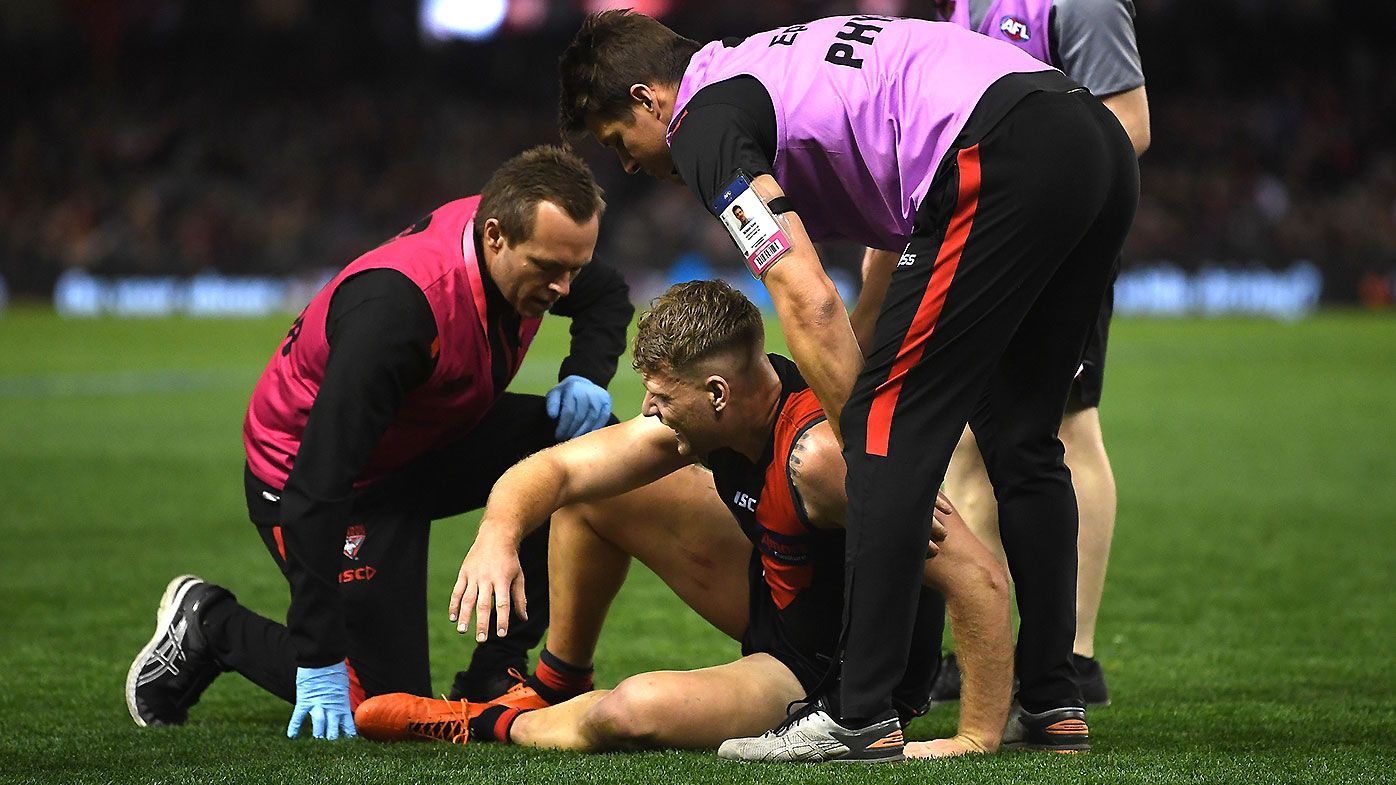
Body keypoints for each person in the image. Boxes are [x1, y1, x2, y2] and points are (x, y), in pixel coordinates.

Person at [557, 10, 1137, 759]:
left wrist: (867, 444)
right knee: (1024, 436)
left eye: (617, 142)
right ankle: (1055, 701)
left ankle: (856, 714)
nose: (629, 165)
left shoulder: (701, 124)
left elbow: (804, 294)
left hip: (1003, 149)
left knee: (883, 432)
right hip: (1093, 143)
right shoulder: (768, 66)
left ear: (647, 99)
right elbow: (878, 261)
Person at [353, 280, 1013, 760]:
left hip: (825, 670)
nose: (648, 408)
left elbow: (978, 576)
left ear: (717, 394)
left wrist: (976, 737)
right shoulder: (728, 410)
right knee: (590, 494)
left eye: (662, 396)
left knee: (629, 712)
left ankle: (486, 724)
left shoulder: (821, 458)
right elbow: (556, 471)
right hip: (780, 590)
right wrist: (497, 534)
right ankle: (552, 687)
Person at [125, 145, 634, 739]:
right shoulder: (396, 318)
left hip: (418, 440)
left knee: (593, 451)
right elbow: (319, 484)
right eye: (549, 268)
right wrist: (317, 657)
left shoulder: (533, 244)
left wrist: (586, 373)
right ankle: (210, 624)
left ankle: (495, 673)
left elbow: (607, 293)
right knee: (386, 703)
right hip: (313, 474)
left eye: (573, 267)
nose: (562, 286)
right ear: (494, 236)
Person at [851, 0, 1152, 708]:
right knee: (966, 442)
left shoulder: (1079, 3)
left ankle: (1073, 654)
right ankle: (989, 649)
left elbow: (1129, 124)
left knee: (1062, 428)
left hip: (1055, 240)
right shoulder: (958, 6)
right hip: (978, 231)